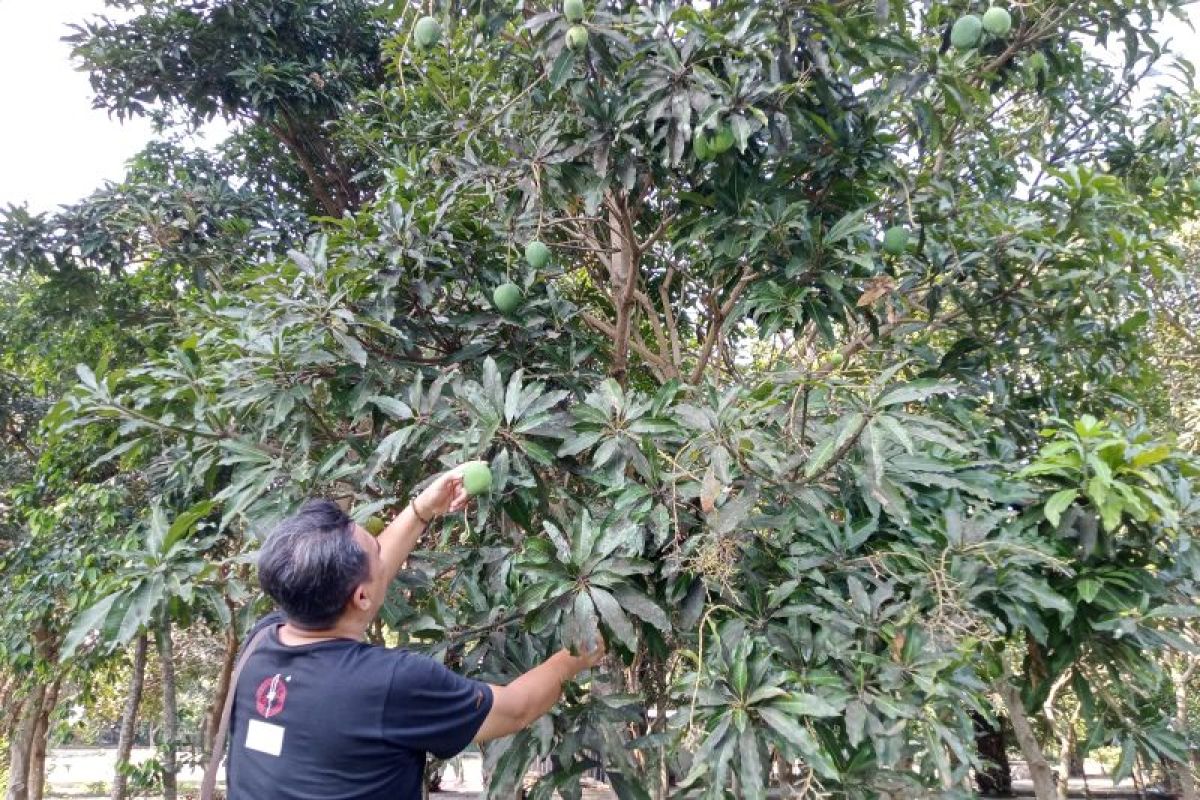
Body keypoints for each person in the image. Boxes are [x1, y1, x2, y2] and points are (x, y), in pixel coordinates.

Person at [224, 464, 604, 799]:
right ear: (360, 596)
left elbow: (367, 581)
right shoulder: (390, 683)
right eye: (375, 548)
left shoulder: (263, 641)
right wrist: (575, 656)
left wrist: (422, 509)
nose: (382, 554)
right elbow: (516, 710)